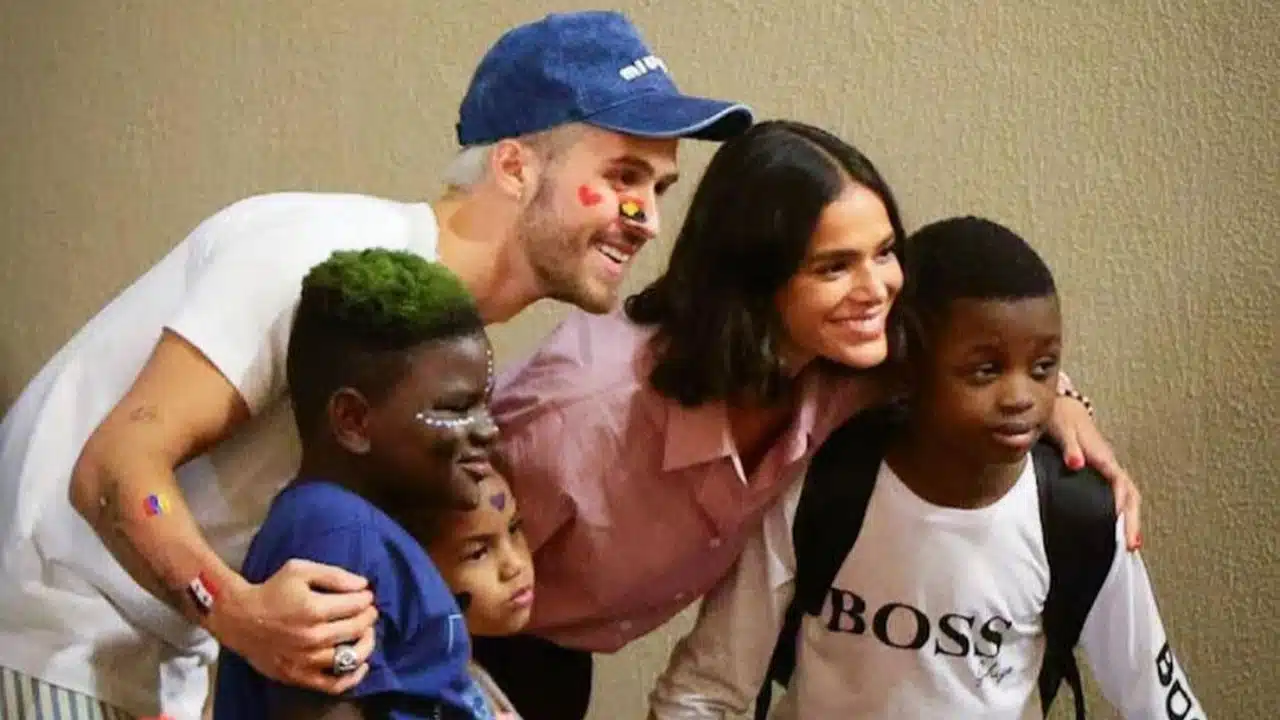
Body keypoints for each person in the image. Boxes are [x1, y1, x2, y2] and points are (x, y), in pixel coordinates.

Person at [0, 10, 753, 719]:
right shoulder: (315, 252)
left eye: (658, 189)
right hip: (51, 633)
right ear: (516, 166)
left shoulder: (441, 344)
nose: (647, 219)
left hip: (153, 657)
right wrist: (238, 614)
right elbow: (115, 466)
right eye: (623, 177)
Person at [480, 121, 1142, 720]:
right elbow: (422, 566)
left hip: (558, 656)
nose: (877, 289)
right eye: (834, 266)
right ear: (754, 282)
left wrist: (1066, 404)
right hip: (467, 643)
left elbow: (990, 356)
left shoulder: (848, 362)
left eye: (884, 253)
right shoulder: (577, 418)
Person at [646, 216, 1203, 719]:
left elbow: (1158, 701)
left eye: (1043, 368)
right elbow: (705, 691)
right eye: (984, 370)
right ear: (907, 362)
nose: (1021, 397)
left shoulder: (1079, 515)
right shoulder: (818, 482)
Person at [214, 248, 501, 719]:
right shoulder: (335, 533)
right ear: (353, 421)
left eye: (484, 406)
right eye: (455, 409)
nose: (488, 429)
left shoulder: (356, 532)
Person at [425, 469, 537, 720]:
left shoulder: (468, 673)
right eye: (477, 553)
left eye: (515, 528)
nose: (514, 565)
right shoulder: (429, 701)